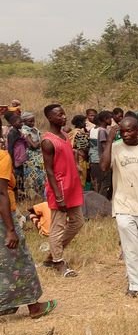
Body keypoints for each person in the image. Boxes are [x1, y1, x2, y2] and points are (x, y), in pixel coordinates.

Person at [102, 117, 138, 297]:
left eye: (129, 130)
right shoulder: (115, 147)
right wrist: (109, 141)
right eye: (122, 131)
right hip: (122, 203)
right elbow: (104, 167)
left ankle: (137, 267)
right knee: (130, 244)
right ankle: (136, 284)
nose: (125, 134)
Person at [0, 145, 57, 319]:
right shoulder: (2, 157)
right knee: (20, 260)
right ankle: (34, 306)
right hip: (3, 218)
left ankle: (5, 304)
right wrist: (11, 230)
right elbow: (1, 194)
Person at [40, 104, 85, 277]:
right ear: (50, 118)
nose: (64, 117)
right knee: (58, 226)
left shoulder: (65, 135)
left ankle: (52, 255)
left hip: (71, 186)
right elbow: (49, 170)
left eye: (64, 113)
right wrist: (58, 196)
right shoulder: (48, 141)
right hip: (59, 189)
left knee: (77, 222)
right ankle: (58, 262)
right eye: (59, 115)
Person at [20, 112, 45, 206]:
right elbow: (33, 145)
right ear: (24, 121)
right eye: (30, 121)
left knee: (40, 176)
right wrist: (42, 140)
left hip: (38, 156)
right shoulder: (25, 130)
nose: (32, 123)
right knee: (32, 177)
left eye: (33, 121)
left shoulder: (34, 129)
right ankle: (32, 199)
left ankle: (40, 196)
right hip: (31, 157)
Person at [4, 112, 28, 205]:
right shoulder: (12, 133)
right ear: (13, 123)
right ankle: (17, 199)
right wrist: (11, 163)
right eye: (19, 122)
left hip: (20, 160)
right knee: (16, 179)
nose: (22, 124)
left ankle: (21, 197)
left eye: (22, 122)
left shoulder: (18, 131)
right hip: (15, 160)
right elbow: (10, 148)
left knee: (21, 178)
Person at [89, 111, 113, 198]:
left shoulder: (94, 130)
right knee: (104, 184)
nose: (111, 120)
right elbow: (104, 147)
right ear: (105, 119)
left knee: (98, 184)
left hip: (94, 159)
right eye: (110, 118)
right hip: (101, 160)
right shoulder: (102, 131)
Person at [68, 114, 90, 188]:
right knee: (81, 180)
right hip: (80, 159)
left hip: (73, 158)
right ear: (80, 122)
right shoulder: (79, 133)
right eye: (84, 122)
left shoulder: (72, 132)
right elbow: (83, 148)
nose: (85, 123)